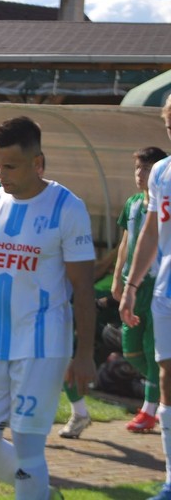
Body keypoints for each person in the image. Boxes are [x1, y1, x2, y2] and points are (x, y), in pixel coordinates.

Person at [0, 116, 95, 500]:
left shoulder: (67, 208)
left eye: (10, 166)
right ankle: (45, 494)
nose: (1, 175)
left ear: (37, 163)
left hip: (43, 346)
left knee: (28, 448)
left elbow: (83, 287)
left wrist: (85, 353)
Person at [121, 96, 171, 500]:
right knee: (168, 377)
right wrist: (132, 285)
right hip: (164, 292)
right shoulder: (162, 174)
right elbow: (150, 233)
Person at [112, 146, 167, 433]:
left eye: (147, 169)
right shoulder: (133, 205)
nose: (140, 174)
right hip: (134, 284)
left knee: (151, 346)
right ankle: (162, 391)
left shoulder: (163, 206)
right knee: (131, 349)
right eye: (138, 168)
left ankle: (149, 409)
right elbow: (125, 243)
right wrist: (118, 278)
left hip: (157, 283)